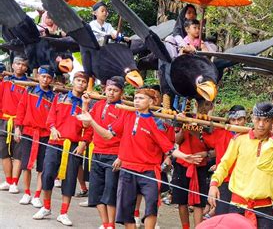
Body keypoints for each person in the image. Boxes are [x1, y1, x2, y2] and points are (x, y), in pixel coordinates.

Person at [77, 87, 202, 229]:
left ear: (150, 102)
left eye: (141, 98)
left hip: (149, 171)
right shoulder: (126, 116)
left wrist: (185, 156)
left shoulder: (156, 122)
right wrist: (92, 121)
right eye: (136, 98)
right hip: (127, 170)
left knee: (151, 207)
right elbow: (107, 135)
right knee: (126, 211)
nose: (137, 101)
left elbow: (168, 147)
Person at [32, 71, 93, 226]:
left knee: (70, 179)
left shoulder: (88, 104)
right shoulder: (59, 98)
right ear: (73, 82)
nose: (80, 83)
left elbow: (89, 127)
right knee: (47, 174)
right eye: (78, 80)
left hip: (74, 146)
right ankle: (46, 207)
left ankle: (63, 213)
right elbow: (50, 117)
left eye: (84, 82)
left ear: (86, 85)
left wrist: (84, 143)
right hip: (55, 142)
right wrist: (52, 128)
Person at [208, 102, 273, 229]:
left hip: (265, 208)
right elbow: (224, 164)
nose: (261, 124)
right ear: (252, 118)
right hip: (238, 205)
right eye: (258, 119)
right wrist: (214, 184)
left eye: (266, 120)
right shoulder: (239, 140)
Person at [81, 76, 127, 229]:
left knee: (110, 191)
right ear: (104, 89)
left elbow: (108, 134)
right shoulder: (99, 104)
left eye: (115, 90)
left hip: (113, 155)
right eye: (109, 90)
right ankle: (105, 223)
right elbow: (85, 123)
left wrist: (121, 156)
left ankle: (111, 224)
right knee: (96, 190)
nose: (111, 93)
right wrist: (85, 105)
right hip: (97, 152)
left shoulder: (124, 110)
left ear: (121, 92)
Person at [14, 65, 56, 208]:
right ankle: (27, 192)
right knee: (26, 165)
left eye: (49, 77)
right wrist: (17, 128)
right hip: (28, 132)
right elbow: (21, 109)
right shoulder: (29, 90)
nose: (46, 79)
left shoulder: (53, 97)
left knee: (42, 167)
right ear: (38, 76)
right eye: (43, 76)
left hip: (45, 135)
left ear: (52, 79)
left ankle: (37, 195)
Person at [172, 100, 214, 228]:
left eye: (208, 105)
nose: (204, 107)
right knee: (181, 200)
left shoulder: (212, 123)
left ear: (212, 106)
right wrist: (182, 124)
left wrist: (206, 154)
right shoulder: (186, 117)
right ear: (196, 105)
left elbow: (213, 148)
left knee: (199, 203)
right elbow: (177, 140)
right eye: (202, 104)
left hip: (201, 165)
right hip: (182, 163)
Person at [202, 105, 247, 215]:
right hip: (224, 180)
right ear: (229, 120)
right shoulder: (220, 133)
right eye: (233, 120)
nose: (236, 123)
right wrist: (203, 121)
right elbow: (202, 134)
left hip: (243, 183)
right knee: (222, 213)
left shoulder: (251, 136)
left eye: (240, 119)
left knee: (238, 216)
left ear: (245, 120)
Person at [0, 55, 29, 193]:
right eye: (18, 64)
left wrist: (20, 124)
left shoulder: (29, 85)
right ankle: (8, 180)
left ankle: (15, 183)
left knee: (18, 154)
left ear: (26, 68)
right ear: (13, 65)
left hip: (20, 122)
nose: (20, 66)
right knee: (3, 152)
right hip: (4, 120)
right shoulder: (5, 82)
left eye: (23, 65)